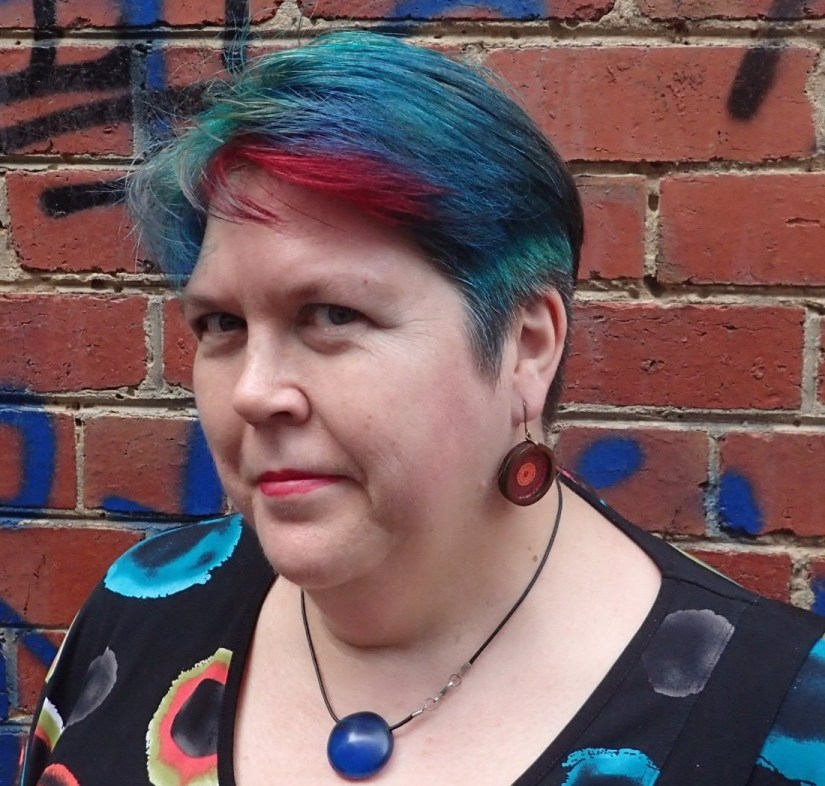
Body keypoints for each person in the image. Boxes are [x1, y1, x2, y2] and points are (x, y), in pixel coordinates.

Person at [20, 31, 825, 786]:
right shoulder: (141, 615)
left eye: (332, 315)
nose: (253, 392)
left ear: (526, 345)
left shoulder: (776, 721)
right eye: (222, 324)